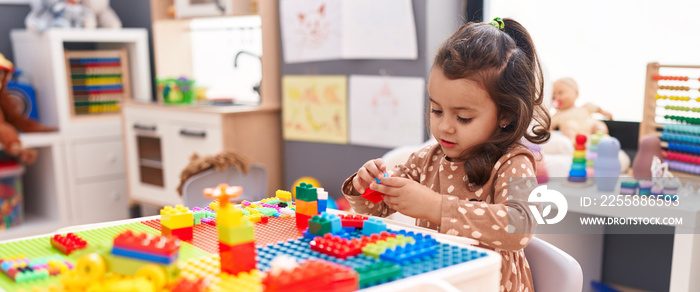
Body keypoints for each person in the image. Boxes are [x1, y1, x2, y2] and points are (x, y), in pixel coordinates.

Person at [341, 17, 550, 292]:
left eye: (463, 117)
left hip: (489, 284)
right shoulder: (426, 159)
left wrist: (435, 207)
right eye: (436, 110)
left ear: (505, 115)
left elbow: (520, 225)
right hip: (437, 280)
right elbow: (377, 209)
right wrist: (368, 186)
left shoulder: (514, 161)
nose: (444, 126)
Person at [550, 77, 612, 142]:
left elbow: (598, 109)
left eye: (560, 93)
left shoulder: (585, 107)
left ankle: (603, 140)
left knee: (599, 125)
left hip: (590, 127)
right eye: (553, 97)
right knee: (567, 128)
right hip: (574, 131)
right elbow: (550, 126)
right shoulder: (557, 116)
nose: (557, 97)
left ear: (576, 93)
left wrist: (606, 114)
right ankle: (574, 143)